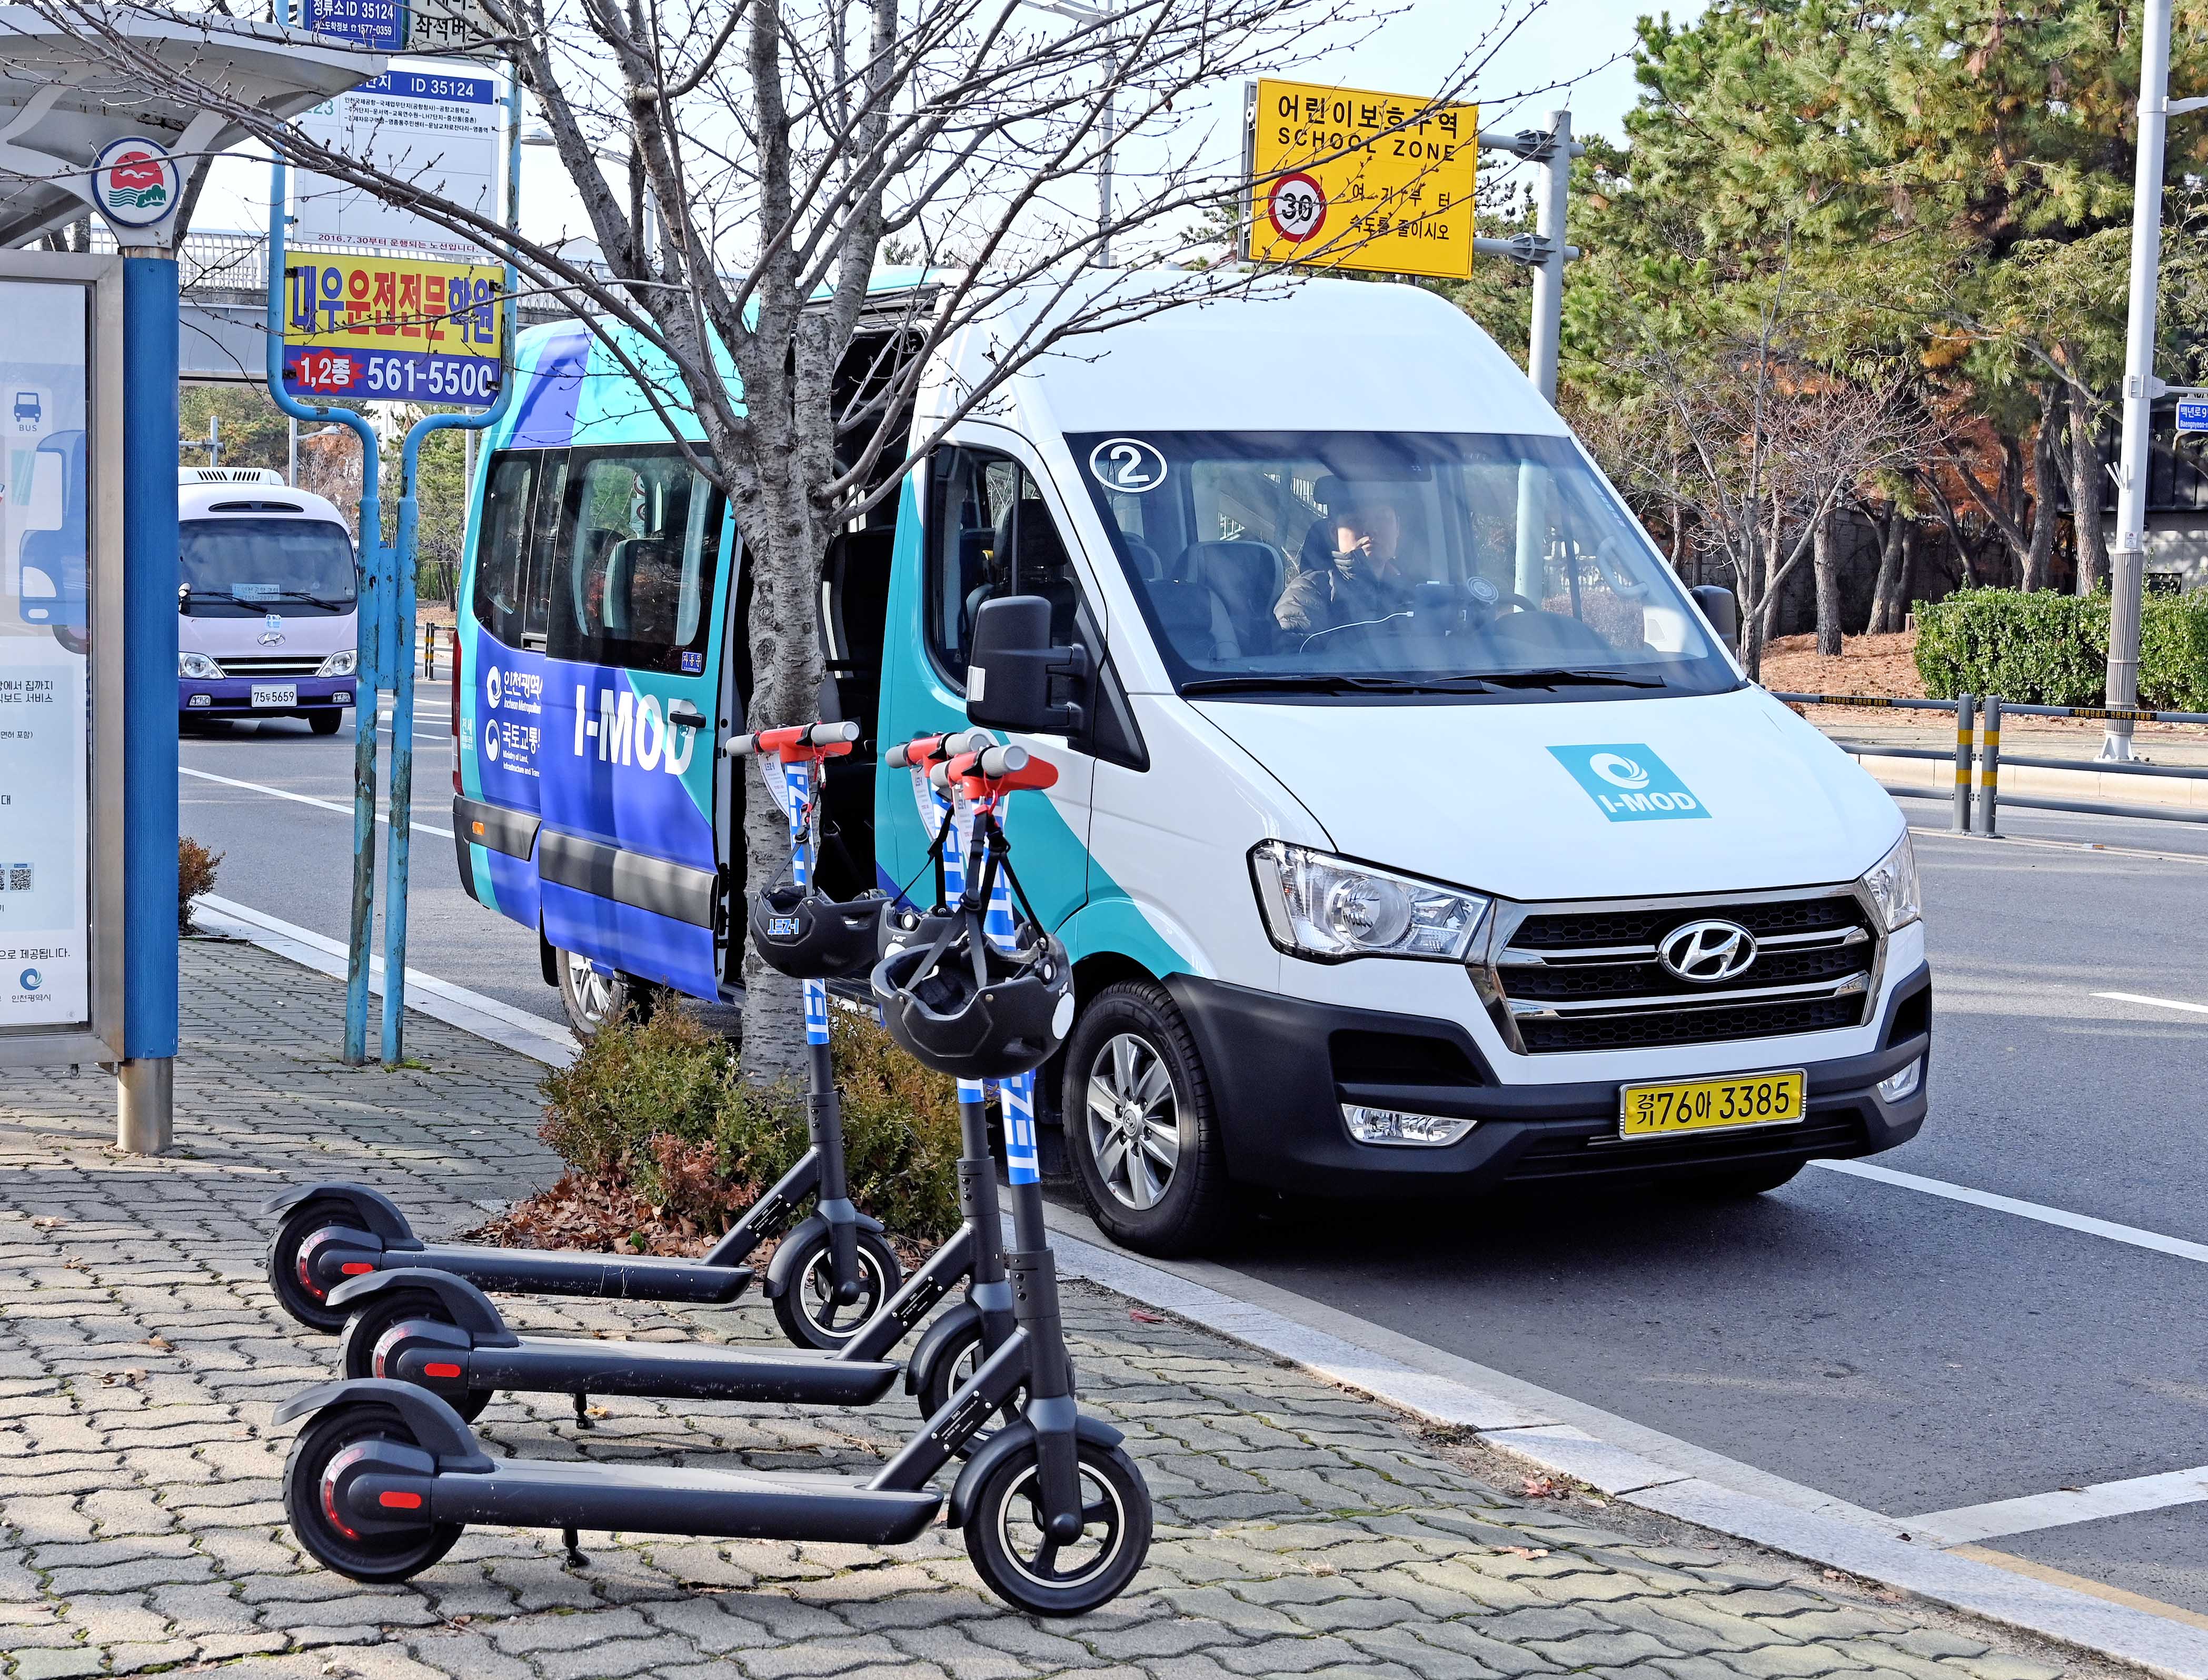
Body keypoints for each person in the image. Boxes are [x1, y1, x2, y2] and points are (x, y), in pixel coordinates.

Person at [1274, 498, 1415, 638]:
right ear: (1334, 532)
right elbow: (1296, 657)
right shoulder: (1306, 593)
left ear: (1398, 528)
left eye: (1382, 518)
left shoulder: (1416, 593)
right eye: (1355, 520)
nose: (1371, 529)